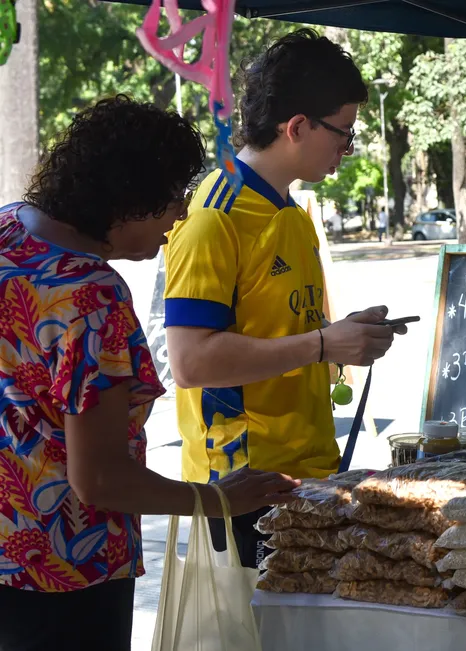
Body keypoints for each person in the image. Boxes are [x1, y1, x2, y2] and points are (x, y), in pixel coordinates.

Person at [0, 96, 299, 651]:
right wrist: (217, 499)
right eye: (173, 199)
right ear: (129, 198)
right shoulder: (91, 297)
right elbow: (101, 480)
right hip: (64, 573)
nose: (180, 216)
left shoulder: (9, 229)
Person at [164, 29, 404, 569]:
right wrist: (322, 345)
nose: (347, 149)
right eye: (344, 135)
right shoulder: (215, 215)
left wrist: (339, 338)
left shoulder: (292, 212)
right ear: (297, 127)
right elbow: (190, 361)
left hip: (304, 475)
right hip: (241, 487)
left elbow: (282, 332)